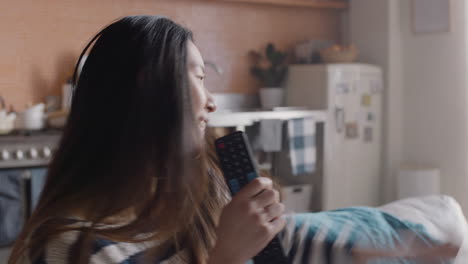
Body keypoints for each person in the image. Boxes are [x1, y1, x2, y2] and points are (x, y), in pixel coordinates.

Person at [8, 15, 460, 264]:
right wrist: (227, 256)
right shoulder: (68, 249)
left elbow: (301, 240)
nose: (210, 102)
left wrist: (406, 237)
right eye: (197, 78)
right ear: (146, 87)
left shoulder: (204, 195)